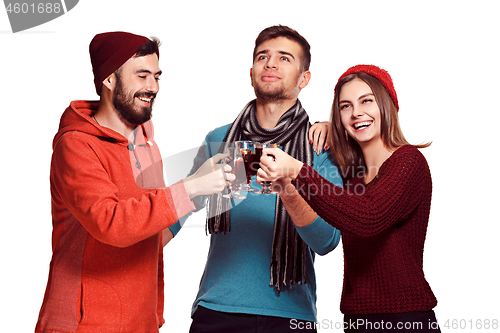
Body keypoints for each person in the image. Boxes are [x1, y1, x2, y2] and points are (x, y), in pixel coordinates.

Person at [35, 31, 234, 333]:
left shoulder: (146, 146)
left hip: (140, 324)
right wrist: (191, 187)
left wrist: (199, 191)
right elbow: (111, 223)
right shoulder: (76, 146)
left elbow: (150, 233)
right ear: (109, 79)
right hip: (83, 326)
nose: (152, 87)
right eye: (142, 76)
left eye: (156, 76)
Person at [169, 25, 342, 333]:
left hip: (290, 315)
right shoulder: (220, 140)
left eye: (285, 58)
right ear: (251, 73)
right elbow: (176, 213)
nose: (271, 63)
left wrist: (289, 191)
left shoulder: (320, 147)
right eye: (263, 56)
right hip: (216, 309)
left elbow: (327, 241)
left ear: (305, 79)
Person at [258, 64, 440, 332]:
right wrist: (328, 128)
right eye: (345, 106)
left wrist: (297, 170)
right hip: (356, 320)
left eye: (367, 101)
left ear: (387, 105)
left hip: (405, 318)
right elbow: (335, 201)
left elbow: (368, 217)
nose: (356, 112)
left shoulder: (409, 162)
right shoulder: (352, 176)